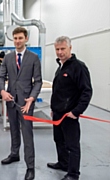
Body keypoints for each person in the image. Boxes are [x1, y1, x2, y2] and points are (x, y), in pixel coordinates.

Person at [0, 27, 42, 180]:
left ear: (26, 39)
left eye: (20, 38)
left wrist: (32, 97)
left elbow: (38, 81)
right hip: (11, 101)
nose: (17, 41)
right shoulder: (8, 58)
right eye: (15, 38)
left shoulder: (33, 58)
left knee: (27, 134)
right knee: (14, 129)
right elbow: (1, 77)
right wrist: (2, 91)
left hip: (26, 103)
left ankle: (30, 167)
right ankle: (14, 153)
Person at [47, 36, 92, 180]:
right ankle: (63, 163)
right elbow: (60, 90)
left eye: (62, 49)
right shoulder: (60, 66)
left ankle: (73, 173)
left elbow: (86, 91)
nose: (60, 52)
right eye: (57, 49)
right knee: (59, 139)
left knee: (72, 145)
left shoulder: (78, 67)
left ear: (70, 48)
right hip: (58, 112)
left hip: (69, 114)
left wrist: (76, 111)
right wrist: (54, 108)